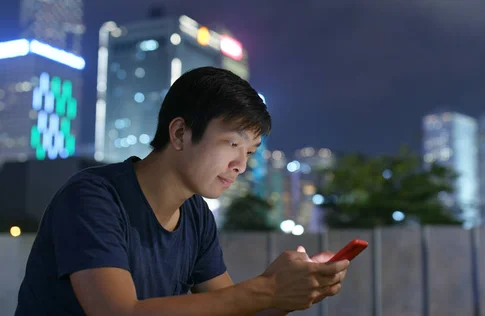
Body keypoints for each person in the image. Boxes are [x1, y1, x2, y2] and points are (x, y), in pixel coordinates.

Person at [15, 67, 350, 315]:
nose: (240, 164)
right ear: (179, 134)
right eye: (232, 143)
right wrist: (269, 289)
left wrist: (290, 289)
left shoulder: (195, 214)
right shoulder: (94, 196)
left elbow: (230, 307)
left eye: (249, 152)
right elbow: (118, 312)